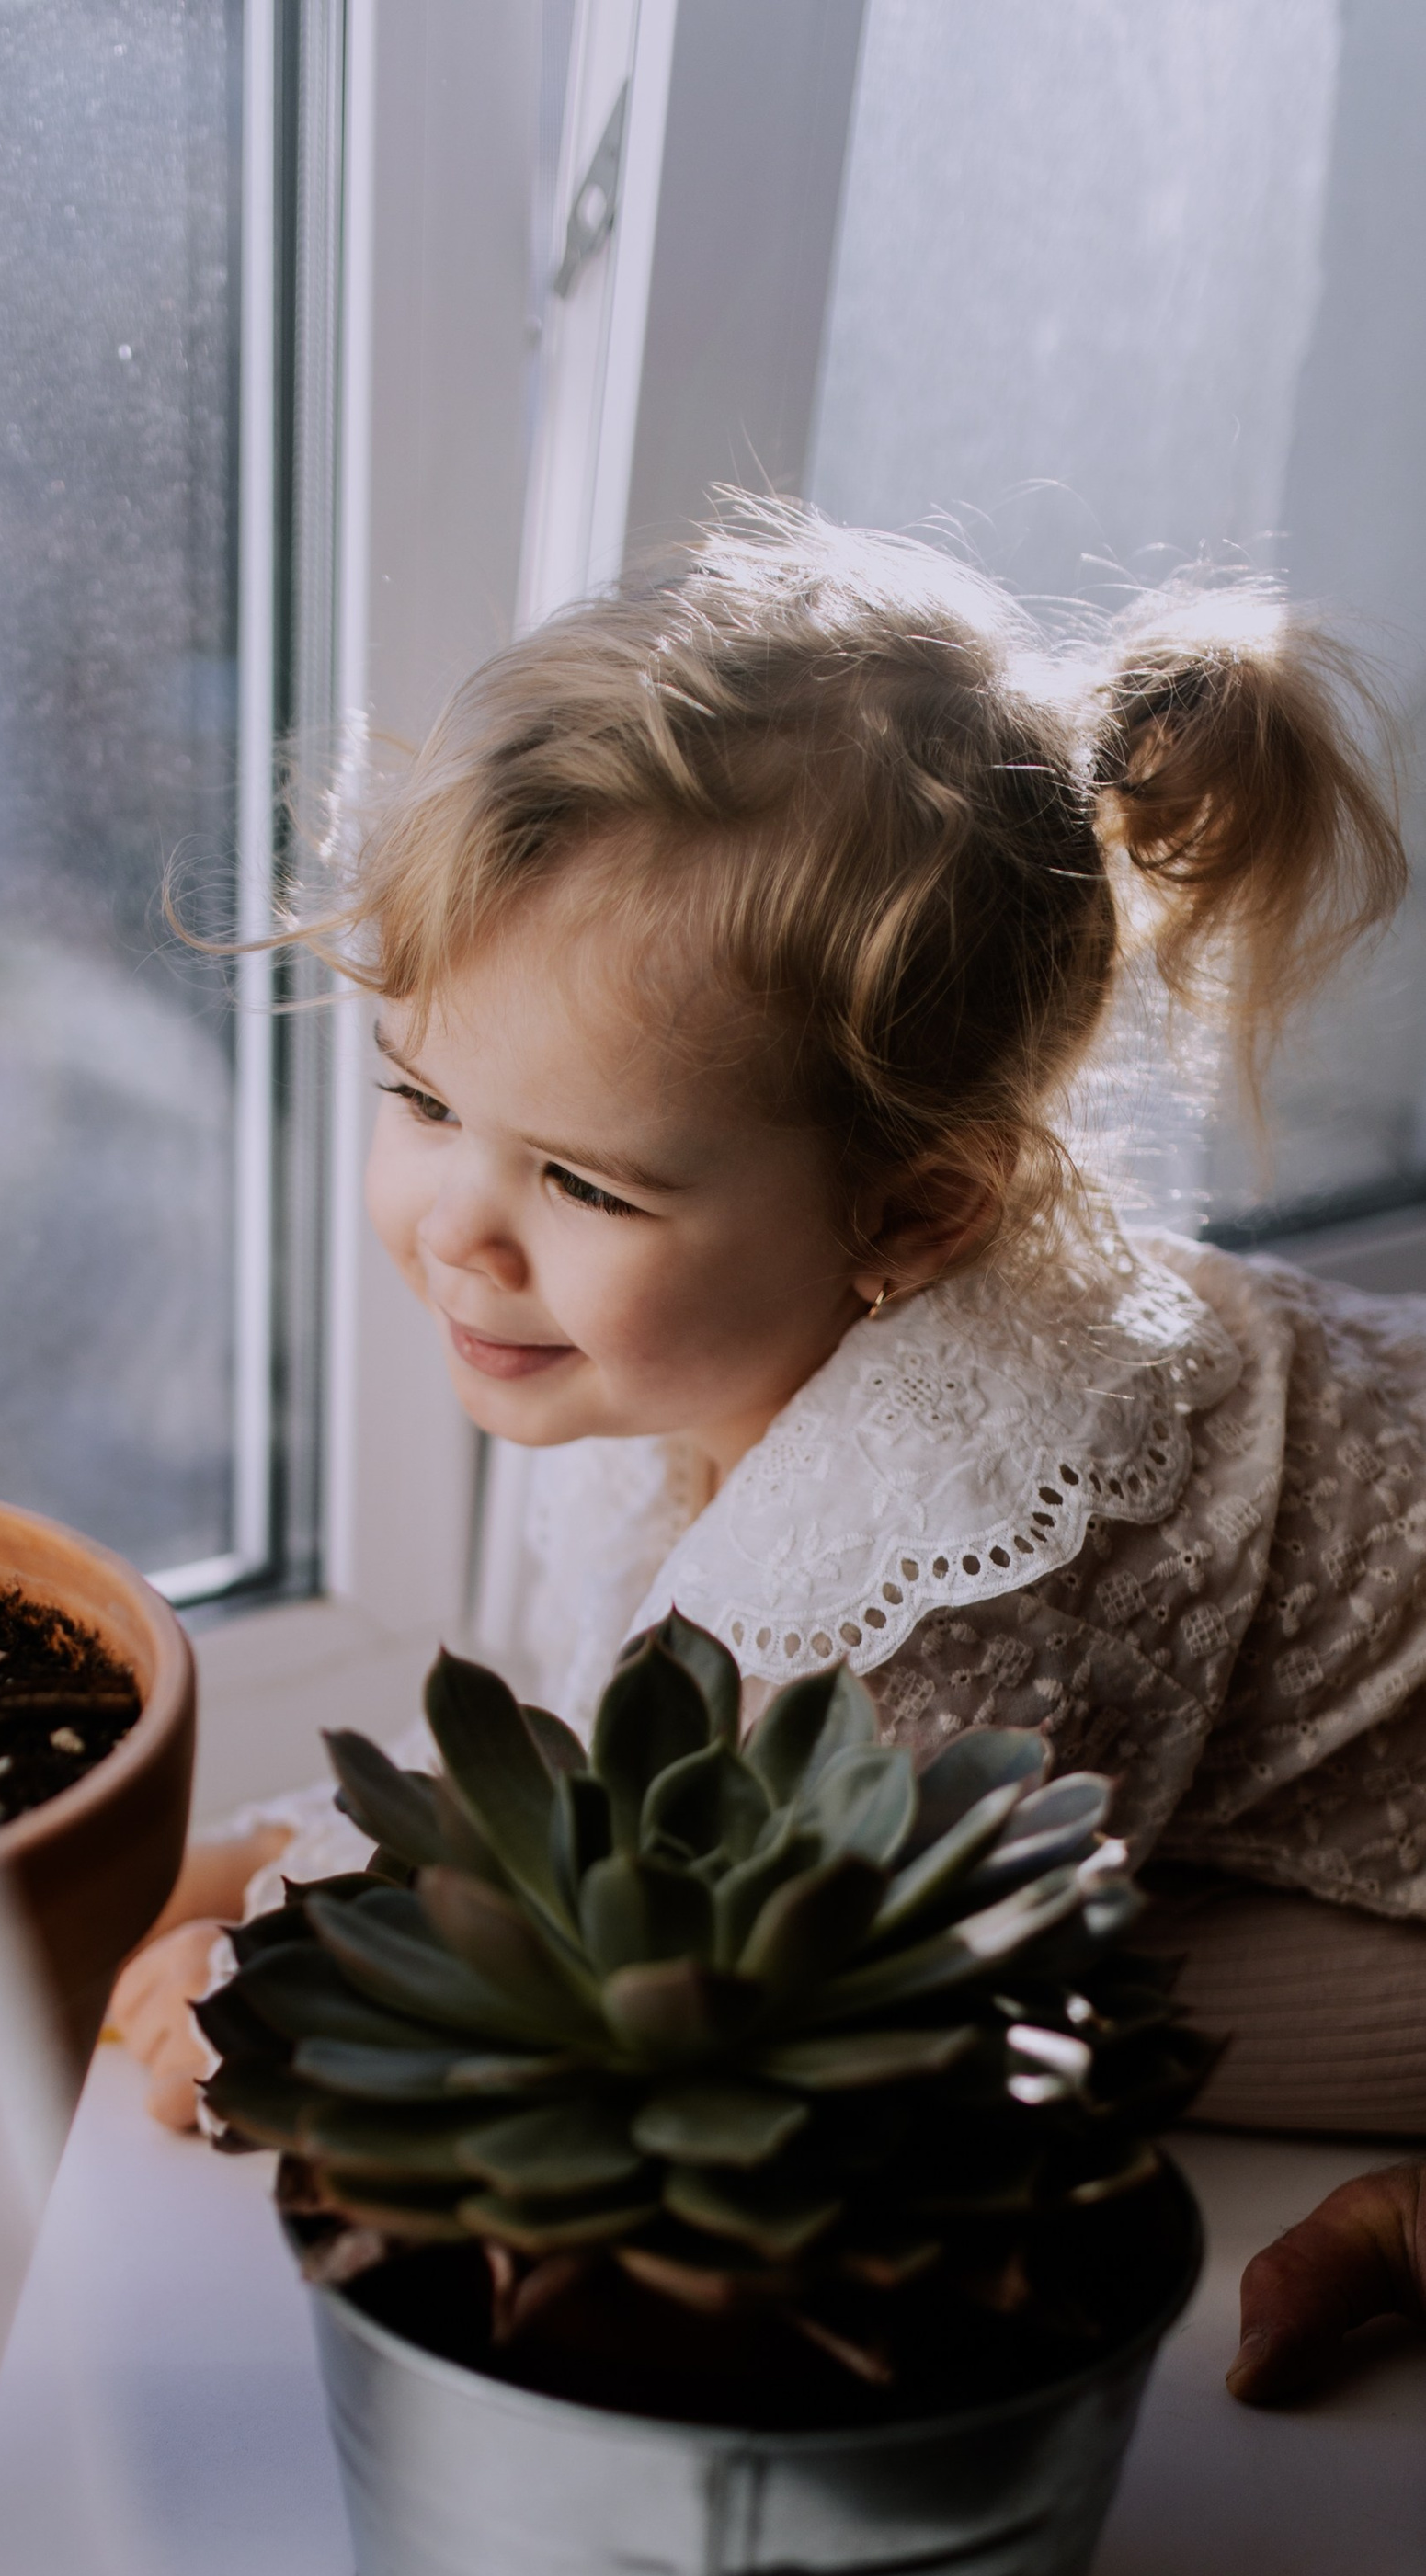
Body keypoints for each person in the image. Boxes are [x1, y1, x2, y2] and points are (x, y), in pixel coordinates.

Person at [112, 506, 1426, 2254]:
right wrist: (256, 1849)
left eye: (585, 1183)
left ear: (915, 1213)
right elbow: (621, 1749)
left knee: (1005, 1994)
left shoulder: (974, 1539)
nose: (456, 1231)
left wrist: (282, 1968)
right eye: (424, 1101)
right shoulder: (722, 1348)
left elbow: (694, 1954)